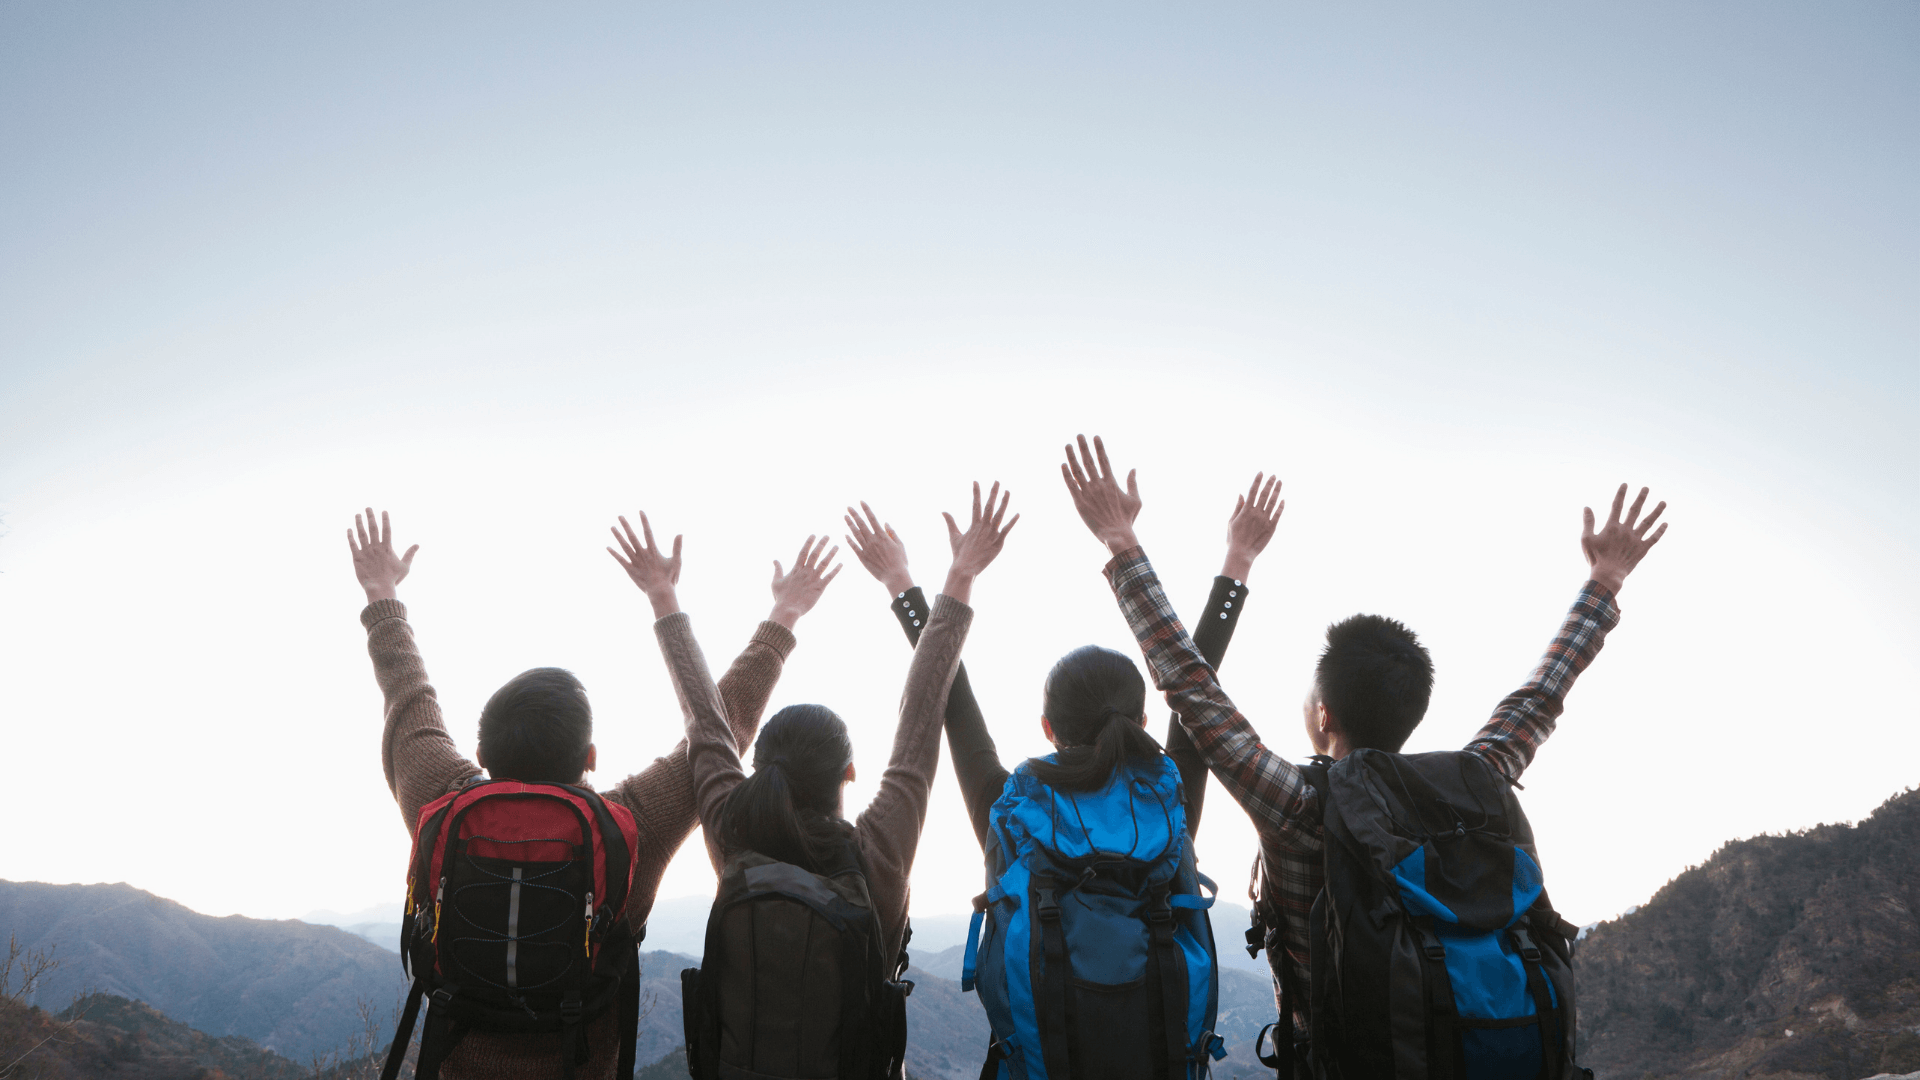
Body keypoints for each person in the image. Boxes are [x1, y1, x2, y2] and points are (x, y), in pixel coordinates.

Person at [1059, 435, 1667, 1065]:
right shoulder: (1475, 784)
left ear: (1324, 715)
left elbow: (1191, 690)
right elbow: (1541, 695)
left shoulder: (1300, 807)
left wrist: (1121, 541)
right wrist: (1606, 579)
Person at [347, 509, 838, 1080]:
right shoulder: (628, 827)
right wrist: (781, 615)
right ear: (590, 758)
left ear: (482, 757)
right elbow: (719, 730)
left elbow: (409, 696)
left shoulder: (444, 804)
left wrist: (381, 593)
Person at [610, 483, 1015, 1079]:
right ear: (849, 773)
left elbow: (706, 720)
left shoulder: (734, 834)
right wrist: (953, 578)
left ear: (760, 766)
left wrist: (663, 595)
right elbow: (923, 711)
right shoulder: (877, 854)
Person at [839, 476, 1282, 847]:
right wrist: (1238, 559)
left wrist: (931, 577)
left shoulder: (1011, 812)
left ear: (1048, 729)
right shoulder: (1168, 804)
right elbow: (1196, 684)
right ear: (1141, 720)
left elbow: (947, 689)